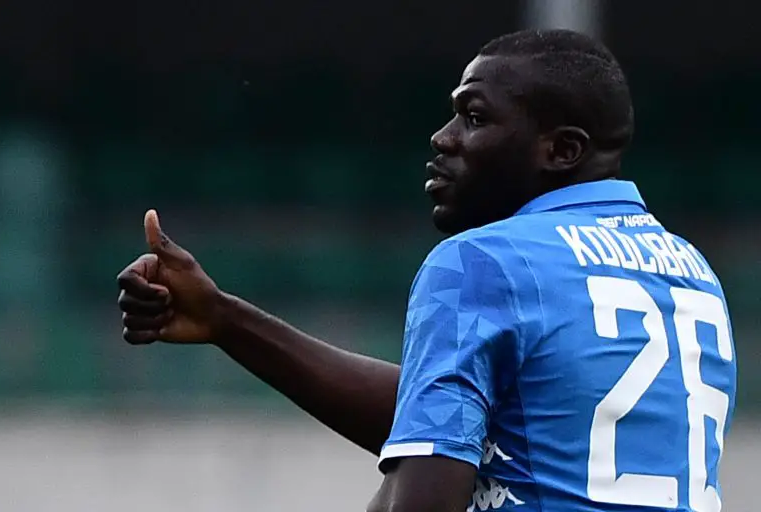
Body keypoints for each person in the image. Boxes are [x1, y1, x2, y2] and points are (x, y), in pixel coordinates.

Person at [117, 29, 737, 512]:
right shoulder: (691, 272)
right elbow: (452, 418)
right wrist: (226, 320)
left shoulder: (483, 261)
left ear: (561, 150)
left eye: (474, 116)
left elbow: (425, 490)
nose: (443, 138)